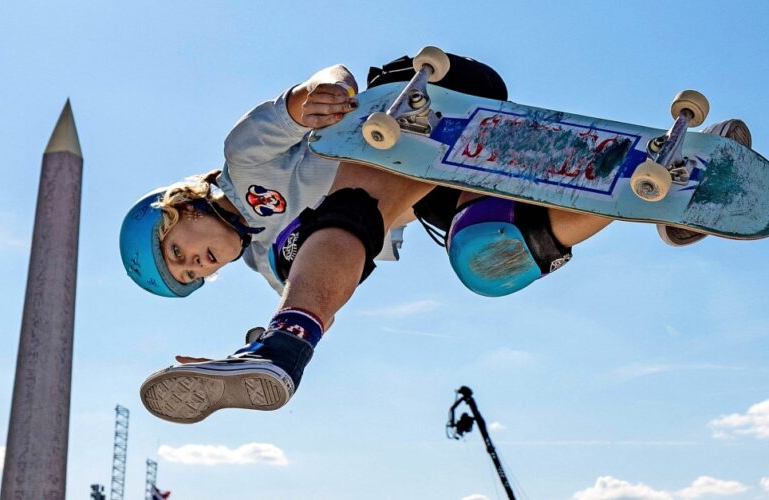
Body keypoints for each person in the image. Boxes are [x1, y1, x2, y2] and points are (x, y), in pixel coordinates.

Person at [121, 52, 751, 424]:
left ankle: (285, 349)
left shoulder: (242, 160)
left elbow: (318, 83)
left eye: (179, 250)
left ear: (179, 207)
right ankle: (671, 177)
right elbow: (323, 293)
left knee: (346, 210)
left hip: (416, 101)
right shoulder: (273, 263)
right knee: (486, 257)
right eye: (192, 276)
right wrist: (253, 345)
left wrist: (319, 94)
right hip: (435, 188)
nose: (198, 264)